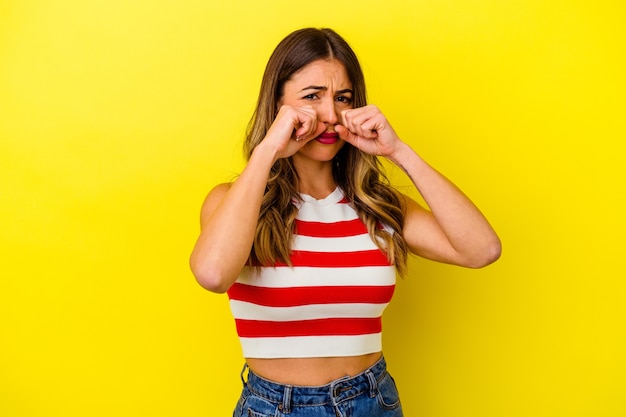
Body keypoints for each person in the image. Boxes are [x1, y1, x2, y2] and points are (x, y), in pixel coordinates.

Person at [190, 27, 501, 417]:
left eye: (343, 98)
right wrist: (269, 148)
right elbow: (213, 274)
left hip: (373, 401)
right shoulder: (234, 203)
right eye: (312, 96)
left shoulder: (377, 206)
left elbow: (482, 249)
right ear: (277, 105)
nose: (330, 115)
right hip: (275, 407)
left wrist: (398, 151)